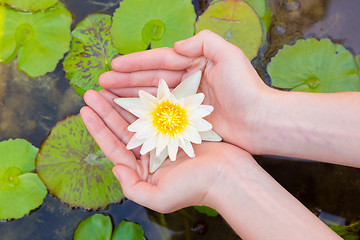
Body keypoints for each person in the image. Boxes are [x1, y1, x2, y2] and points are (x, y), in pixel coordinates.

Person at [80, 30, 360, 239]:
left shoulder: (193, 113)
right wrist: (259, 119)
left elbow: (207, 131)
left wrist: (226, 176)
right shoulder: (156, 124)